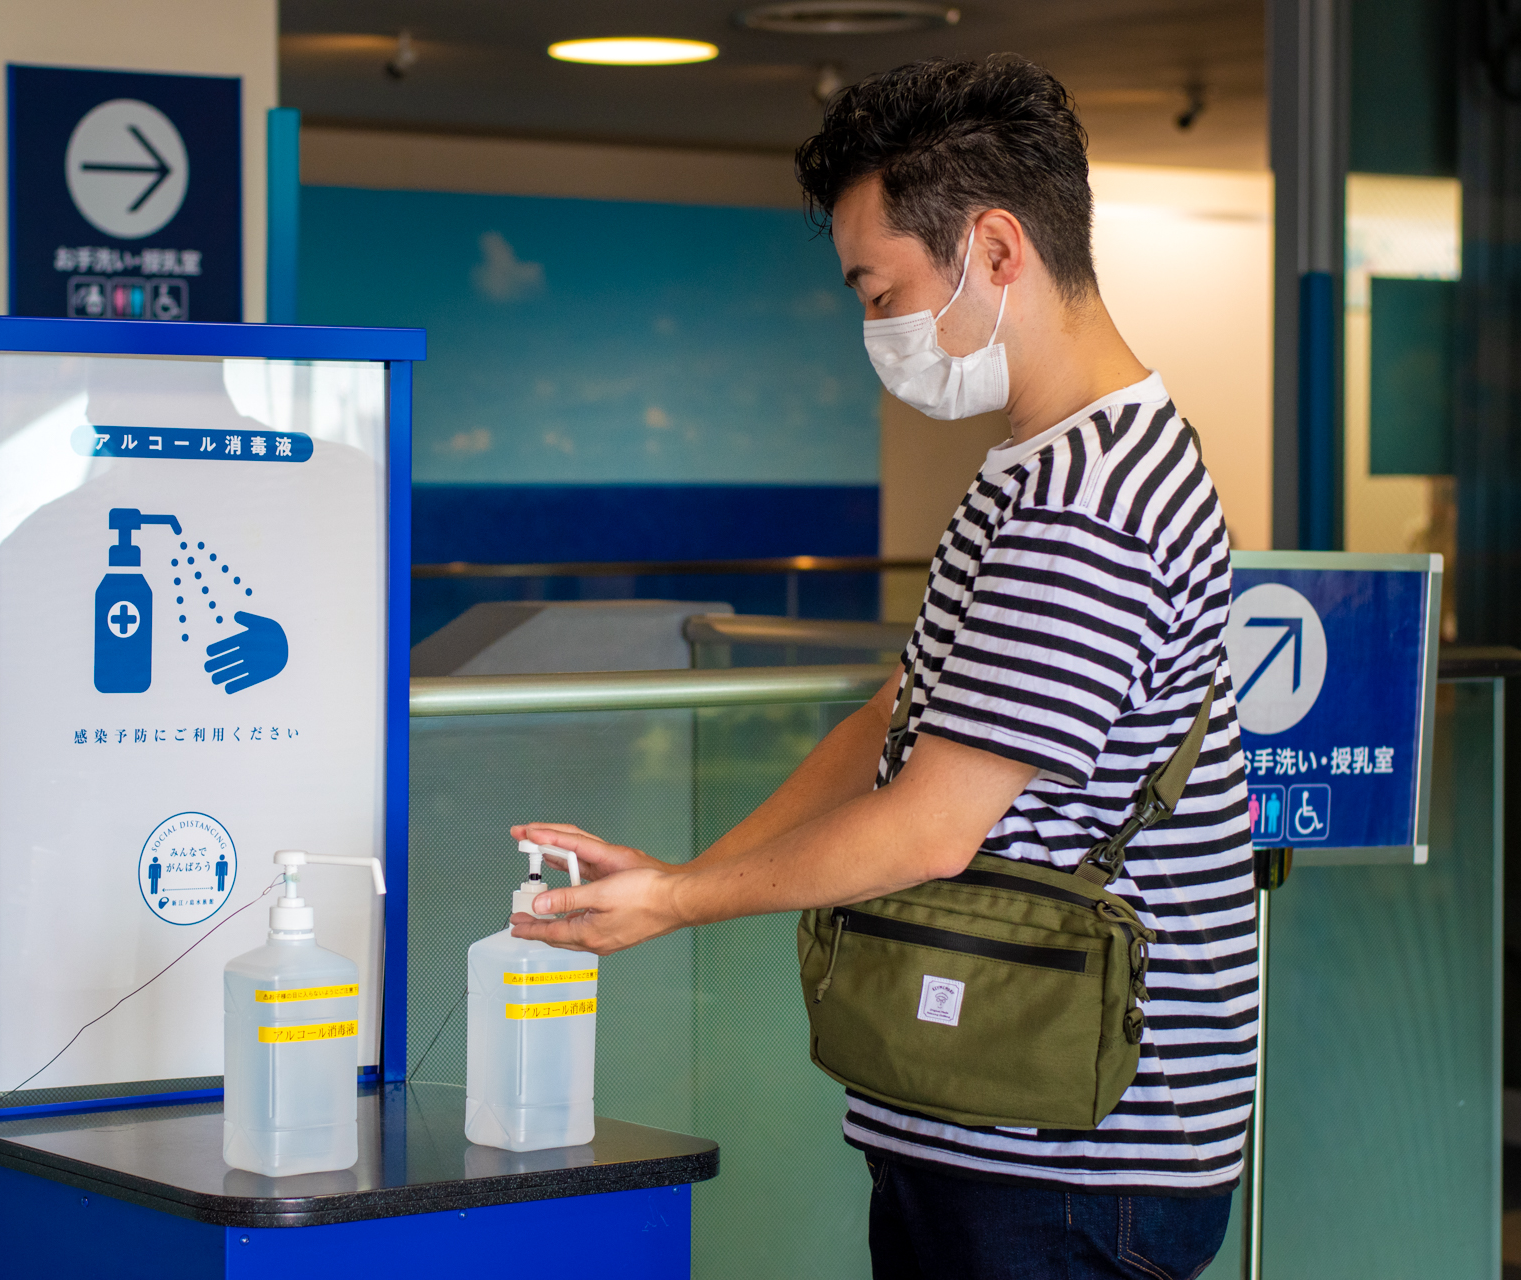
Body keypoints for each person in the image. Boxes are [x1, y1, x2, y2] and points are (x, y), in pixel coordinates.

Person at [510, 55, 1254, 1280]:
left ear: (996, 250)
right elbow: (892, 721)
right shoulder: (1033, 466)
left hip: (1067, 1157)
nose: (879, 330)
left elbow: (928, 828)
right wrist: (689, 872)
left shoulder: (1088, 505)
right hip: (985, 1112)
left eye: (883, 290)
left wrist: (681, 907)